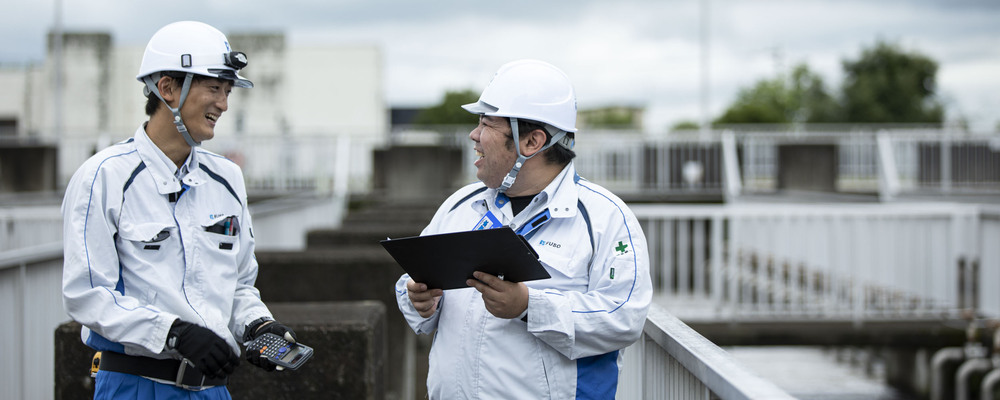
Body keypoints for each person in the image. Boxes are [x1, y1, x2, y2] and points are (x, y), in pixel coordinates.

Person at [62, 21, 296, 398]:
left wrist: (257, 327)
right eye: (213, 88)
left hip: (214, 390)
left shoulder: (228, 178)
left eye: (228, 90)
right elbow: (87, 295)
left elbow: (237, 286)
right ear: (167, 88)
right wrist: (173, 332)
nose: (223, 103)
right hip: (134, 386)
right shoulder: (104, 176)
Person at [394, 59, 652, 399]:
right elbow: (411, 283)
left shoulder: (605, 218)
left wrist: (529, 305)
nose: (474, 135)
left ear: (532, 142)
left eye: (486, 124)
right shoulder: (460, 206)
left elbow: (624, 317)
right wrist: (419, 299)